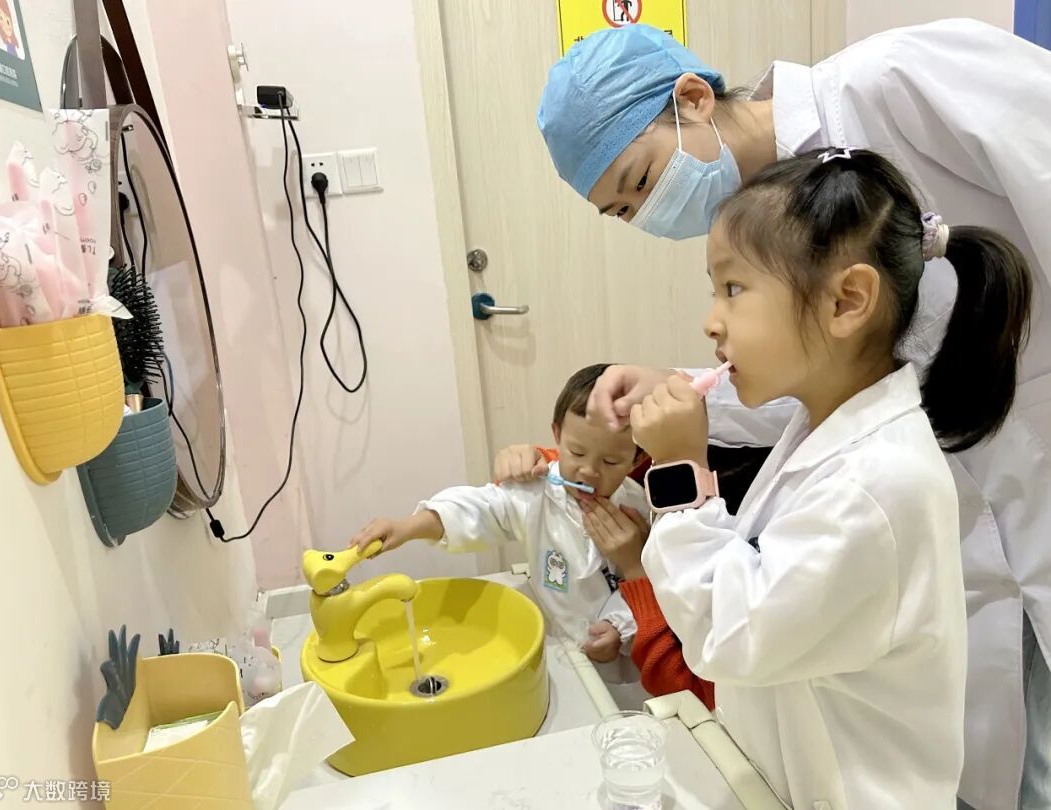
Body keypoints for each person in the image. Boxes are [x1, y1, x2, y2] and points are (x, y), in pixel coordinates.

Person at [497, 20, 1051, 808]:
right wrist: (682, 390)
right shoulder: (833, 408)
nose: (649, 212)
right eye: (624, 211)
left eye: (641, 179)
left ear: (693, 98)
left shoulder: (898, 81)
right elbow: (811, 380)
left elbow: (730, 629)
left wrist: (683, 477)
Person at [647, 147, 1029, 806]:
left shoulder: (875, 486)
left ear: (847, 301)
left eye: (733, 289)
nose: (711, 321)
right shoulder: (825, 429)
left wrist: (681, 473)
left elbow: (728, 633)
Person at [348, 365, 652, 667]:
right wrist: (408, 527)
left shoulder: (641, 505)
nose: (589, 471)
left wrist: (619, 625)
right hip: (555, 648)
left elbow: (652, 581)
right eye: (577, 452)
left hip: (624, 662)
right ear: (557, 434)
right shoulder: (535, 492)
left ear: (637, 458)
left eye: (611, 461)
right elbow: (480, 508)